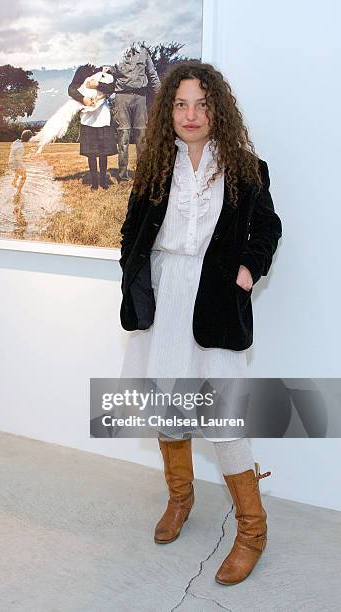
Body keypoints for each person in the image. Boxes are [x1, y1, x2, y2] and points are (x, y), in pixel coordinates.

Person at [119, 61, 282, 586]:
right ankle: (180, 500)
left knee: (222, 420)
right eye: (181, 103)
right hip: (164, 297)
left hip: (213, 300)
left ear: (219, 111)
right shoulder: (153, 166)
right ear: (169, 111)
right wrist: (133, 274)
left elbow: (268, 226)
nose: (191, 114)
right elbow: (133, 228)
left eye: (202, 104)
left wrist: (248, 271)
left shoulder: (245, 168)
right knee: (168, 403)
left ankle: (252, 532)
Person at [109, 43, 161, 181]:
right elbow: (108, 74)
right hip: (121, 97)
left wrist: (161, 96)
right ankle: (122, 175)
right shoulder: (116, 52)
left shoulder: (144, 53)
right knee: (123, 135)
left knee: (141, 135)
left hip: (140, 97)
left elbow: (152, 75)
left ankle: (142, 174)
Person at [68, 64, 117, 190]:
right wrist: (83, 98)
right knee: (91, 152)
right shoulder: (82, 70)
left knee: (103, 152)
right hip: (88, 116)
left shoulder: (107, 69)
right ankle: (94, 183)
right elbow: (71, 89)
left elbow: (112, 88)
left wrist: (98, 85)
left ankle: (103, 182)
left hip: (102, 115)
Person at [8, 129, 33, 194]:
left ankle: (13, 183)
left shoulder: (16, 142)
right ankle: (18, 192)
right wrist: (24, 168)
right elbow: (18, 160)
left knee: (18, 173)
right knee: (24, 176)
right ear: (28, 139)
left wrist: (25, 157)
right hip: (14, 165)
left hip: (11, 162)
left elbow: (16, 156)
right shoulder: (21, 147)